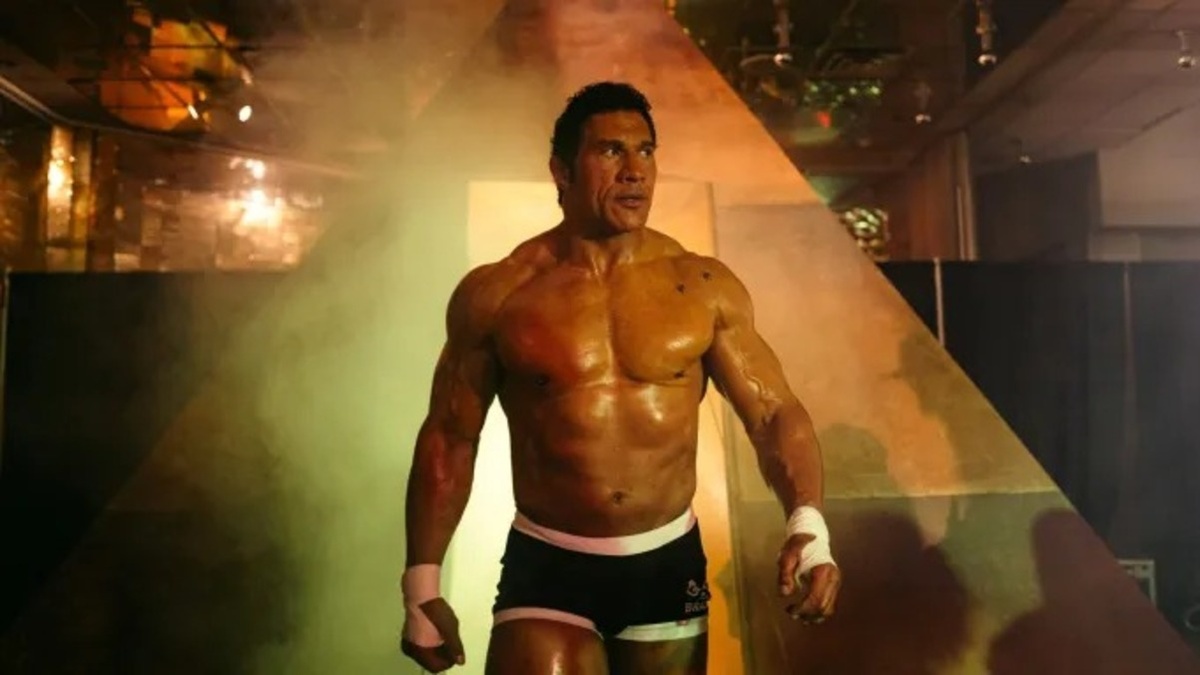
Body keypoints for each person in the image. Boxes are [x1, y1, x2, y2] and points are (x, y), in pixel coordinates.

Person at [399, 81, 842, 675]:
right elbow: (451, 436)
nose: (635, 170)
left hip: (666, 563)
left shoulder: (701, 287)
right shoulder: (500, 293)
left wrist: (808, 525)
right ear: (561, 171)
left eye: (646, 151)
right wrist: (421, 583)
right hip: (549, 563)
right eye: (611, 151)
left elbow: (772, 413)